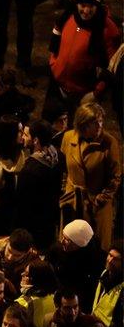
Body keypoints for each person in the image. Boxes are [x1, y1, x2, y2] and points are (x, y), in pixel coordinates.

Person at [59, 103, 122, 251]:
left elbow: (115, 177)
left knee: (95, 246)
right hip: (73, 200)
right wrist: (64, 190)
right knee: (69, 242)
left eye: (101, 120)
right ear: (83, 124)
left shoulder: (108, 143)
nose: (100, 125)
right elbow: (64, 169)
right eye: (95, 122)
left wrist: (100, 200)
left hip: (95, 204)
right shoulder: (68, 138)